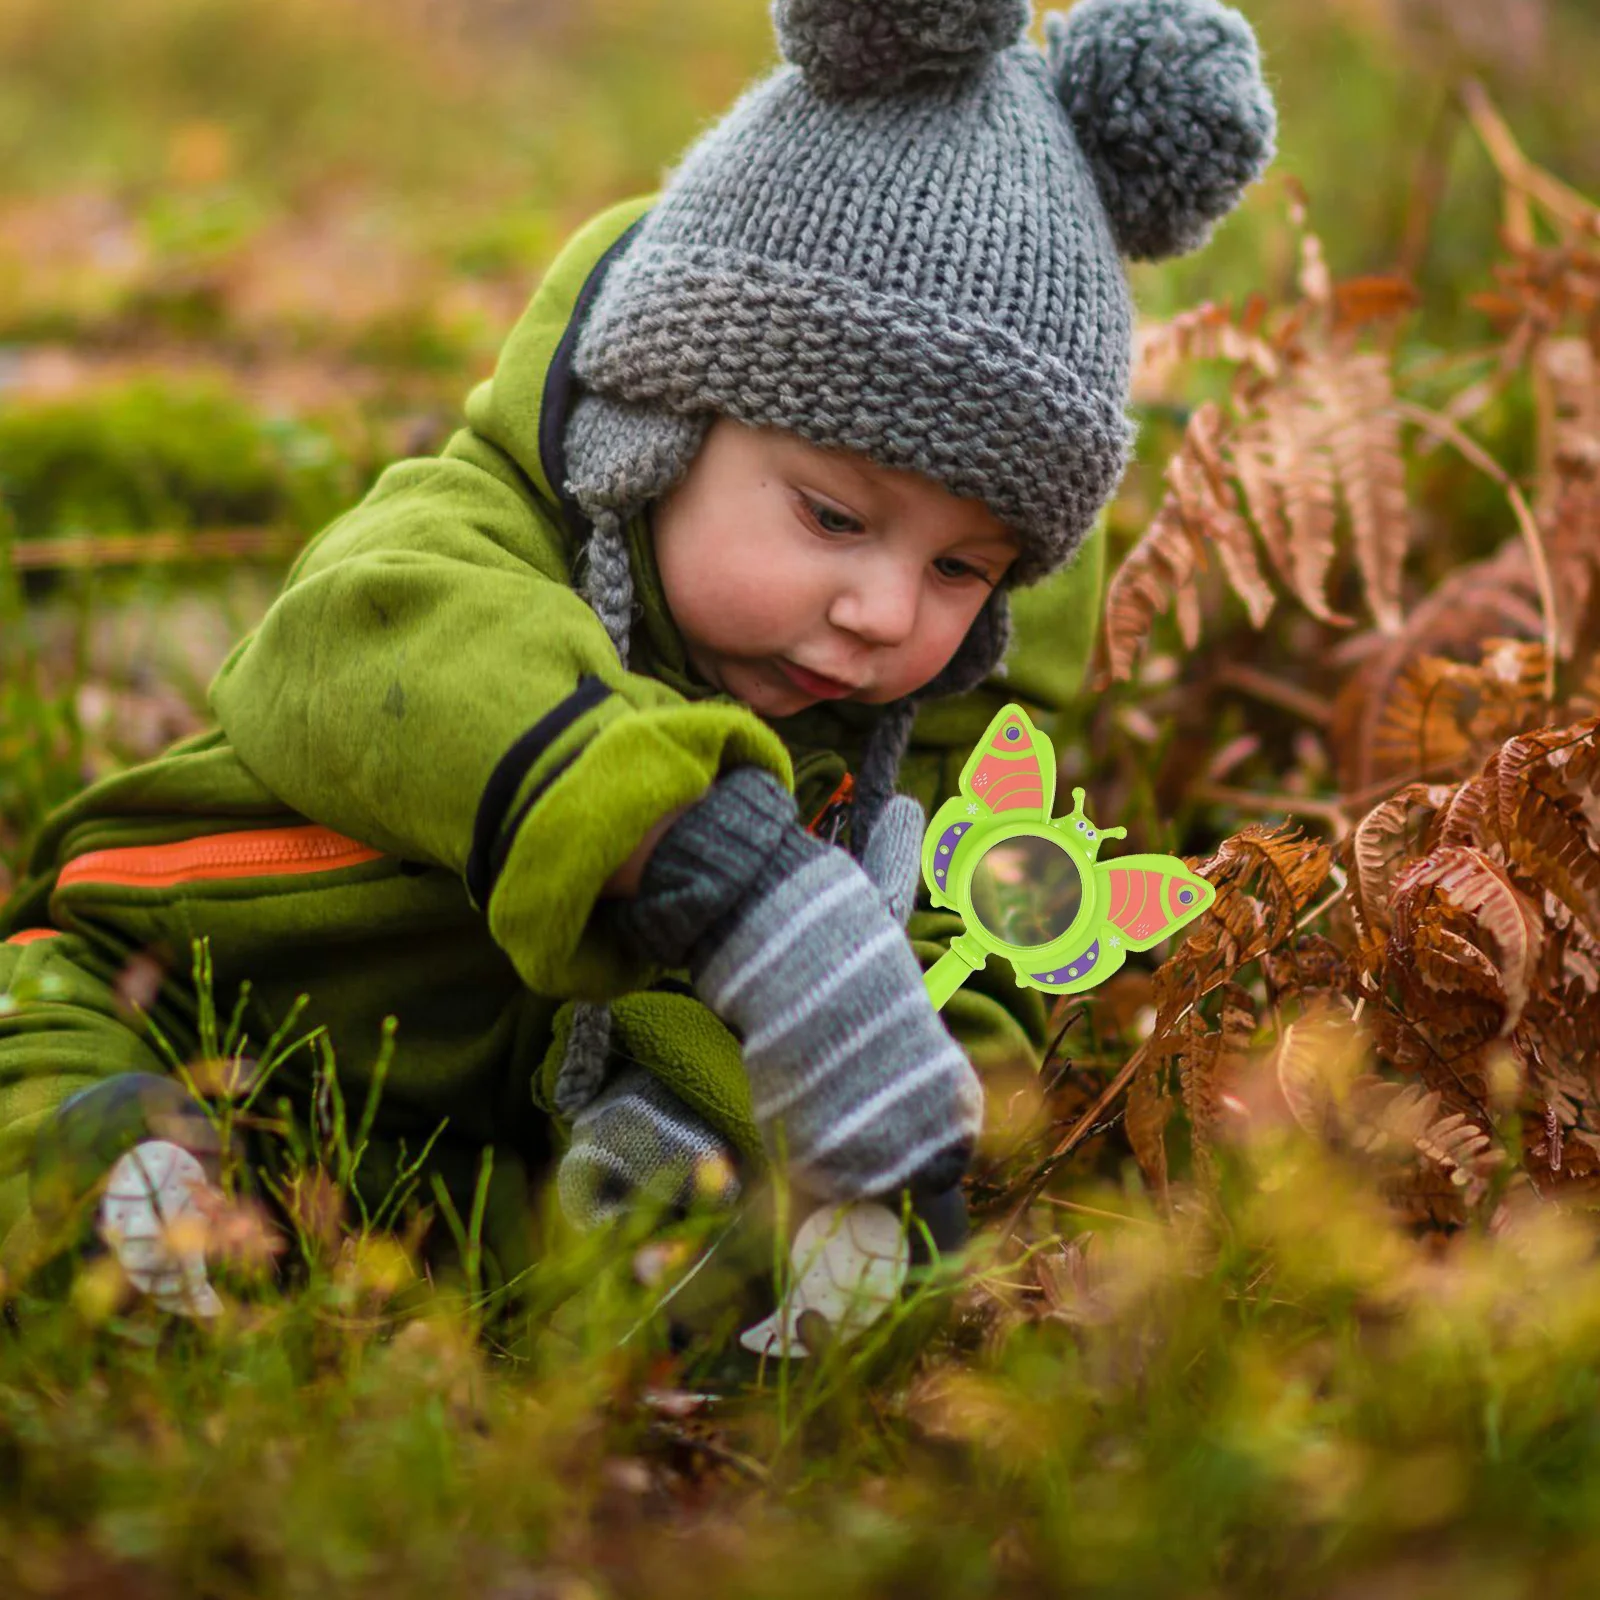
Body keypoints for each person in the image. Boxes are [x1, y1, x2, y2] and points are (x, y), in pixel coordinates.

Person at [0, 0, 1275, 1323]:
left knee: (662, 1215)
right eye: (834, 518)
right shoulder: (482, 533)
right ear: (654, 429)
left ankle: (544, 1258)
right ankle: (111, 1179)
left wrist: (904, 1124)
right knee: (36, 1045)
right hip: (182, 982)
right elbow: (367, 645)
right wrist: (706, 862)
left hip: (469, 1137)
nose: (886, 611)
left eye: (965, 568)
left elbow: (973, 951)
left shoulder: (936, 719)